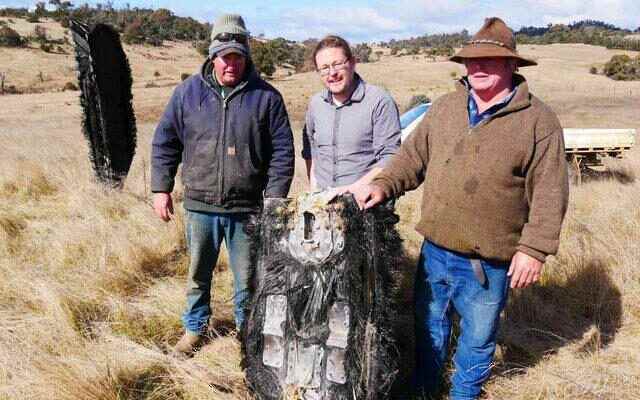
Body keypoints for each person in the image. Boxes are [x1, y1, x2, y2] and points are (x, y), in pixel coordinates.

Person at [353, 17, 569, 400]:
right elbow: (410, 160)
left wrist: (533, 249)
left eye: (489, 59)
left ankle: (463, 395)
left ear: (511, 65)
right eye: (472, 60)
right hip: (435, 250)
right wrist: (383, 186)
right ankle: (424, 390)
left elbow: (551, 192)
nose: (478, 67)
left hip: (489, 261)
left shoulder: (539, 121)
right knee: (429, 326)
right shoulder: (445, 108)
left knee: (478, 337)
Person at [150, 14, 294, 356]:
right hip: (199, 206)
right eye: (225, 56)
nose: (231, 63)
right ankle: (195, 329)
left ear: (246, 56)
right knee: (198, 276)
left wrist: (274, 199)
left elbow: (283, 152)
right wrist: (161, 188)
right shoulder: (186, 93)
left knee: (248, 279)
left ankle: (248, 333)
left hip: (247, 210)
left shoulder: (267, 98)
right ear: (212, 55)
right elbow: (165, 142)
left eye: (238, 56)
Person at [302, 35, 401, 194]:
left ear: (353, 63)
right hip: (322, 204)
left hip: (366, 206)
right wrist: (314, 189)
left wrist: (351, 190)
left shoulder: (379, 101)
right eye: (324, 68)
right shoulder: (315, 104)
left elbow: (390, 157)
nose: (332, 73)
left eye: (337, 64)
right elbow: (312, 151)